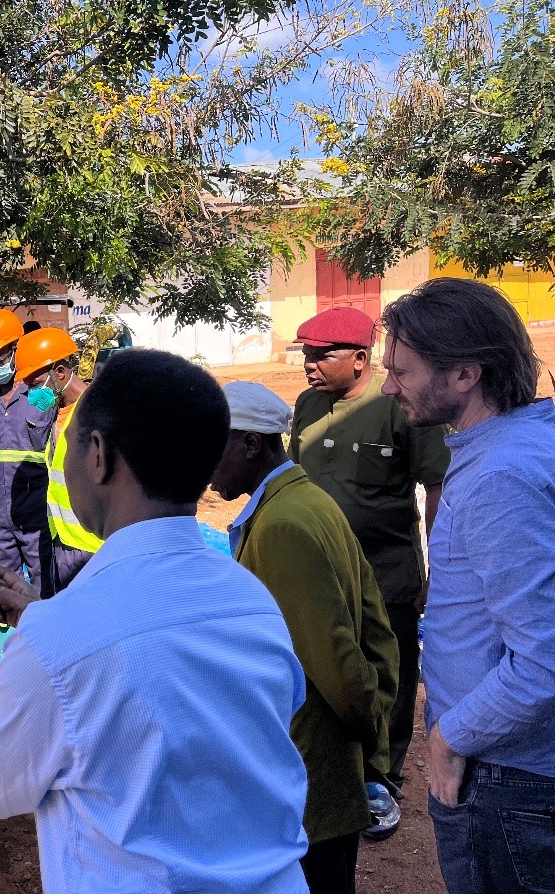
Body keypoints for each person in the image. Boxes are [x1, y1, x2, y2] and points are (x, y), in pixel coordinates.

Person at [0, 350, 311, 893]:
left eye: (69, 446)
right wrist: (48, 617)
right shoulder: (252, 599)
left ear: (99, 455)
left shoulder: (61, 641)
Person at [379, 278, 555, 894]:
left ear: (464, 375)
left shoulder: (501, 476)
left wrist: (453, 737)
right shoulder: (521, 446)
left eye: (401, 371)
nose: (388, 387)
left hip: (507, 775)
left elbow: (545, 654)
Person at [212, 381, 398, 894]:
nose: (204, 467)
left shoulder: (281, 526)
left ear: (251, 444)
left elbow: (336, 663)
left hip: (309, 778)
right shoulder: (309, 500)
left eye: (214, 446)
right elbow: (377, 628)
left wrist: (368, 743)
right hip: (322, 771)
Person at [290, 307, 449, 793]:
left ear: (360, 359)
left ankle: (384, 776)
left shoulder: (398, 404)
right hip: (319, 573)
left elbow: (438, 487)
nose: (309, 364)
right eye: (307, 355)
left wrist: (436, 574)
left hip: (385, 572)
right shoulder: (307, 405)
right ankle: (332, 767)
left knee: (392, 677)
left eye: (322, 355)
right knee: (323, 668)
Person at [0, 309, 55, 589]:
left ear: (18, 349)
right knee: (3, 587)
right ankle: (9, 635)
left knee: (46, 586)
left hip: (36, 511)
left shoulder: (43, 394)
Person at [15, 326, 101, 595]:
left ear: (60, 372)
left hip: (91, 549)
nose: (31, 395)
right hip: (64, 542)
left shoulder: (92, 416)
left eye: (35, 385)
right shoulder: (60, 415)